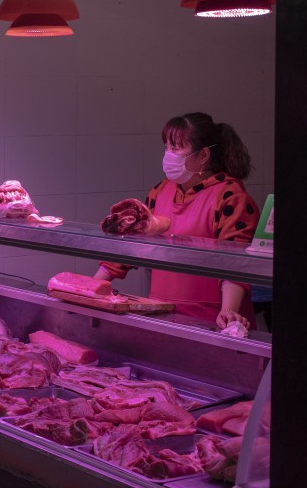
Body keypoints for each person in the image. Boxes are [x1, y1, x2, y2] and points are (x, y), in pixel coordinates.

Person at [95, 112, 261, 329]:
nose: (168, 155)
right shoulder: (161, 191)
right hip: (161, 314)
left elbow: (236, 263)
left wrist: (228, 311)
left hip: (212, 320)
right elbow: (133, 247)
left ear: (203, 155)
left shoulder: (230, 195)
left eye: (176, 148)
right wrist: (92, 285)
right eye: (167, 147)